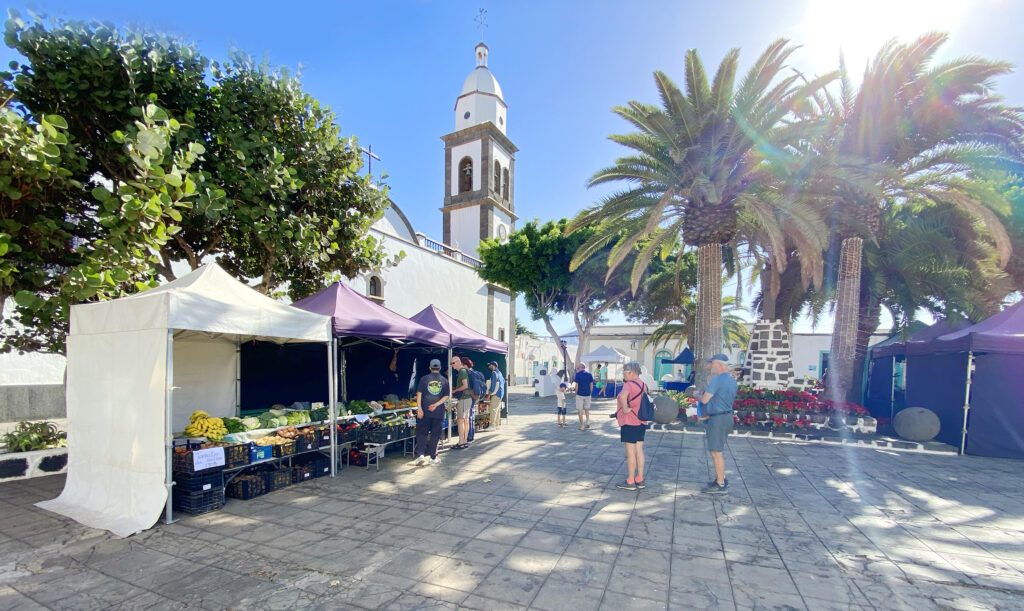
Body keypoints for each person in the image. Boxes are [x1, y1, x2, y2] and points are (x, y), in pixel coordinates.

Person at [696, 353, 739, 494]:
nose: (711, 366)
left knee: (716, 452)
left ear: (720, 365)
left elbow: (705, 400)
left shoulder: (717, 380)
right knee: (717, 450)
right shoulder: (732, 380)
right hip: (727, 417)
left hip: (718, 419)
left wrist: (697, 395)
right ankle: (720, 478)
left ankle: (720, 484)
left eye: (713, 363)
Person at [616, 361, 649, 490]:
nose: (623, 374)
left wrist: (624, 409)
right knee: (639, 451)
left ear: (632, 373)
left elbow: (623, 397)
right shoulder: (643, 385)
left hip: (629, 422)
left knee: (630, 453)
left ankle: (630, 481)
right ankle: (640, 479)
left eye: (625, 371)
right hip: (641, 421)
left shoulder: (628, 385)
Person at [411, 359, 450, 466]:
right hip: (438, 412)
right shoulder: (445, 380)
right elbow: (446, 396)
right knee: (435, 434)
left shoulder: (424, 379)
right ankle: (433, 457)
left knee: (422, 433)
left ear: (430, 368)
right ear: (440, 368)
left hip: (424, 411)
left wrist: (419, 408)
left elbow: (419, 394)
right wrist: (436, 404)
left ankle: (421, 455)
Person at [451, 356, 472, 449]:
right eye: (451, 363)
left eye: (453, 363)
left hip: (464, 398)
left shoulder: (462, 372)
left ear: (459, 362)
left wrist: (455, 391)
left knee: (460, 420)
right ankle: (464, 441)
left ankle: (461, 441)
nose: (452, 365)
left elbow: (465, 385)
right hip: (467, 398)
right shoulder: (464, 371)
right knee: (465, 420)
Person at [485, 361, 505, 431]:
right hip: (501, 393)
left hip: (496, 394)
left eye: (490, 365)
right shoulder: (500, 373)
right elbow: (503, 381)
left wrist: (489, 394)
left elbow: (493, 384)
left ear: (493, 366)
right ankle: (496, 425)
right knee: (497, 409)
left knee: (493, 409)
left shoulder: (494, 373)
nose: (489, 367)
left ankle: (492, 425)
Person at [573, 363, 594, 430]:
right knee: (587, 409)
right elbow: (591, 384)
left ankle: (582, 425)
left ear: (580, 367)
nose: (577, 369)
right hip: (587, 394)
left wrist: (575, 392)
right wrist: (590, 392)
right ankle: (587, 422)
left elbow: (577, 385)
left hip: (580, 394)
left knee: (580, 410)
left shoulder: (578, 374)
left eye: (577, 368)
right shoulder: (589, 374)